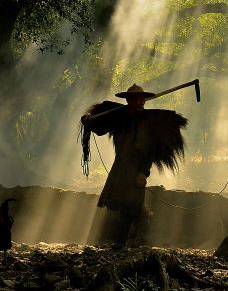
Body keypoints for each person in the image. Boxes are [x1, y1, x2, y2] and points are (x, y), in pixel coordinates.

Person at [80, 84, 187, 247]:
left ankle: (128, 243)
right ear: (128, 100)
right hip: (121, 167)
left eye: (142, 99)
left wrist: (144, 173)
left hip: (138, 168)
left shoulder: (148, 121)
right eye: (136, 99)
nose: (140, 103)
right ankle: (133, 242)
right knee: (123, 205)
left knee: (132, 206)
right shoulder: (118, 117)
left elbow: (150, 151)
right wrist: (89, 121)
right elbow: (100, 129)